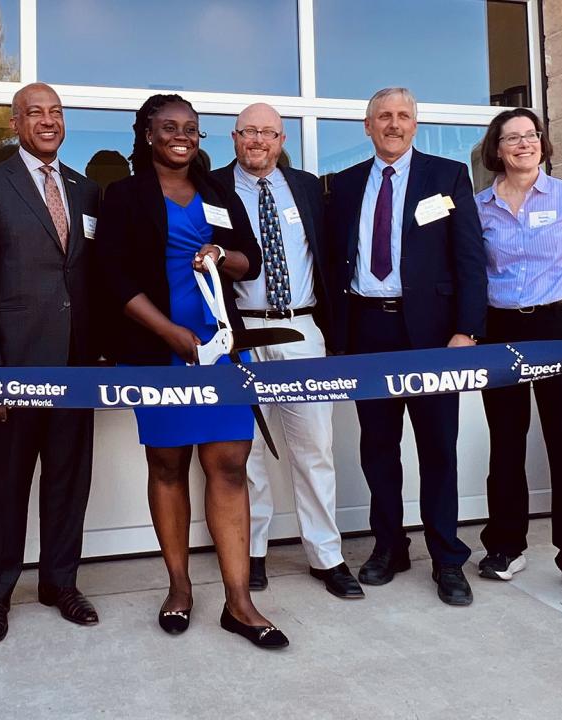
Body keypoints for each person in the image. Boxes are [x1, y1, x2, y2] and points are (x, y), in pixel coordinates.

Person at [95, 94, 288, 649]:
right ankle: (179, 588)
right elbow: (115, 280)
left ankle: (240, 603)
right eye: (169, 127)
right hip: (159, 353)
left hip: (222, 350)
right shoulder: (125, 195)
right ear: (147, 132)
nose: (182, 136)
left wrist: (222, 258)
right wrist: (172, 334)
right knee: (168, 465)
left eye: (192, 128)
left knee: (229, 463)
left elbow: (249, 257)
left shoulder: (217, 191)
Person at [326, 87, 487, 606]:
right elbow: (333, 264)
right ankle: (389, 547)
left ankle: (447, 558)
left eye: (404, 116)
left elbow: (469, 259)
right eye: (384, 117)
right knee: (377, 447)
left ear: (415, 124)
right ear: (367, 125)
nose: (394, 124)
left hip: (434, 337)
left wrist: (467, 329)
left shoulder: (447, 176)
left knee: (438, 447)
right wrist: (338, 337)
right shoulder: (345, 185)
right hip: (368, 332)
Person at [0, 82, 102, 645]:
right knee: (10, 482)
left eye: (56, 112)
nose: (48, 121)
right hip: (15, 367)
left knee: (69, 481)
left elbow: (89, 279)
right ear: (14, 124)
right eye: (35, 112)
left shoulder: (86, 191)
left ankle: (60, 582)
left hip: (77, 367)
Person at [210, 103, 362, 600]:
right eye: (249, 131)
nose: (259, 140)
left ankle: (326, 554)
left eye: (269, 132)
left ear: (281, 139)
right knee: (244, 453)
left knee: (314, 447)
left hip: (301, 329)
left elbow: (331, 258)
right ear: (234, 137)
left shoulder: (308, 187)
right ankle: (251, 552)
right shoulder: (211, 187)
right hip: (239, 336)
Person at [473, 108, 562, 606]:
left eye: (530, 135)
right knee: (505, 442)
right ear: (498, 149)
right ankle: (505, 547)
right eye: (512, 138)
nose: (523, 144)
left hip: (558, 327)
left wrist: (559, 310)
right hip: (501, 329)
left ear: (542, 143)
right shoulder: (479, 206)